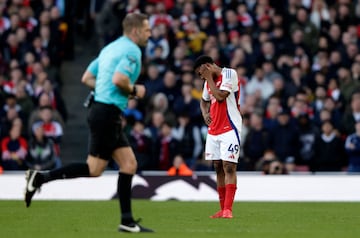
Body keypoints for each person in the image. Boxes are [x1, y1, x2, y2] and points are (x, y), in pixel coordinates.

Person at [24, 13, 153, 233]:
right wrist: (135, 90)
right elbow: (120, 79)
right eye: (146, 29)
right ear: (135, 31)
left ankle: (127, 221)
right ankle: (40, 178)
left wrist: (112, 92)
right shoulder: (132, 50)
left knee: (129, 164)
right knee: (95, 169)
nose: (149, 33)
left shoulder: (110, 48)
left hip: (102, 110)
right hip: (106, 113)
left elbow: (87, 78)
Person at [194, 55, 242, 219]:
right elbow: (203, 100)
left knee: (229, 166)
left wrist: (208, 78)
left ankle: (228, 209)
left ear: (207, 66)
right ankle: (222, 209)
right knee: (217, 166)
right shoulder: (208, 82)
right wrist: (205, 113)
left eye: (201, 73)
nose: (201, 77)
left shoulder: (229, 74)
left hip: (230, 127)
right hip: (214, 129)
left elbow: (221, 97)